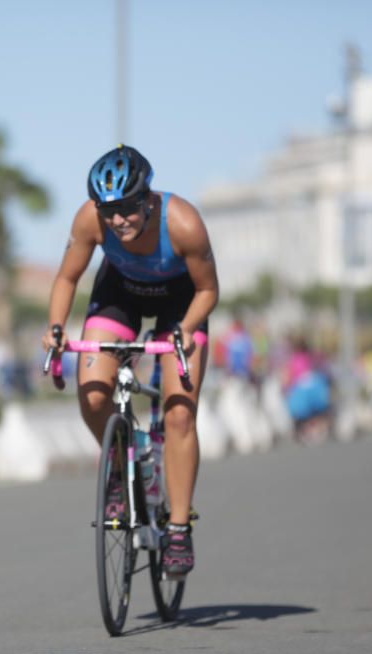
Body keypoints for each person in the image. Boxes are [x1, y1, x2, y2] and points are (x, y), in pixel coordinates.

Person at [42, 145, 219, 578]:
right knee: (94, 392)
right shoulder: (90, 219)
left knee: (179, 416)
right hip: (119, 296)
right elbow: (68, 277)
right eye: (108, 211)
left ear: (148, 199)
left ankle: (178, 526)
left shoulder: (183, 223)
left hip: (182, 304)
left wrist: (185, 329)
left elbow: (208, 291)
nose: (117, 220)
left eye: (126, 209)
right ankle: (121, 468)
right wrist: (56, 327)